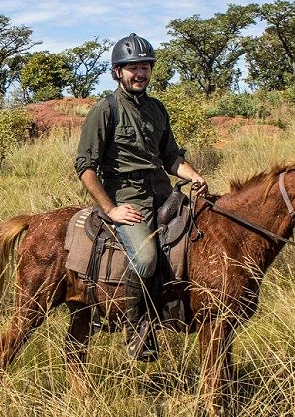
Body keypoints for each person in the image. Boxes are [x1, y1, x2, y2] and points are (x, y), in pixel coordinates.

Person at [75, 33, 207, 361]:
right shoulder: (104, 110)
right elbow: (86, 167)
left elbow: (171, 157)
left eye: (145, 66)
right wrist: (112, 209)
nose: (140, 73)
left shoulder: (158, 109)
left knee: (202, 238)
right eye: (132, 67)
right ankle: (136, 329)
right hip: (128, 198)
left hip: (163, 194)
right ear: (117, 72)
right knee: (146, 258)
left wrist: (193, 175)